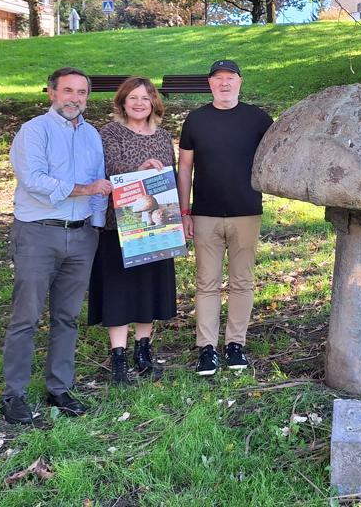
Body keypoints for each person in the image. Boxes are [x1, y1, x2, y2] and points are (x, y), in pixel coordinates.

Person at [1, 68, 111, 424]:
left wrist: (96, 225)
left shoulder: (92, 134)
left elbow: (101, 185)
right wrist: (85, 189)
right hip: (38, 233)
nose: (74, 98)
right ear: (51, 93)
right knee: (26, 317)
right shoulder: (35, 130)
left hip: (82, 237)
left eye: (81, 92)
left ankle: (59, 388)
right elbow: (33, 181)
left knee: (66, 317)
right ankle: (13, 394)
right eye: (67, 91)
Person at [177, 59, 273, 376]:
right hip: (204, 213)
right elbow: (185, 168)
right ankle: (207, 348)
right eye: (218, 78)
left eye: (230, 77)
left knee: (242, 281)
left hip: (246, 212)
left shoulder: (258, 119)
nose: (224, 83)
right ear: (210, 84)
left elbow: (274, 156)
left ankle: (235, 345)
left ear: (240, 82)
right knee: (206, 283)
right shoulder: (196, 120)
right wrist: (184, 211)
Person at [89, 77, 178, 384]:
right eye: (133, 98)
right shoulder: (110, 132)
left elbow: (172, 179)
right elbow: (110, 170)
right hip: (119, 225)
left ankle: (143, 351)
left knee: (148, 288)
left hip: (156, 225)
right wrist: (139, 172)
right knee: (119, 289)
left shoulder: (164, 136)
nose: (139, 103)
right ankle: (118, 357)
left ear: (154, 102)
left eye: (145, 97)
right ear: (123, 101)